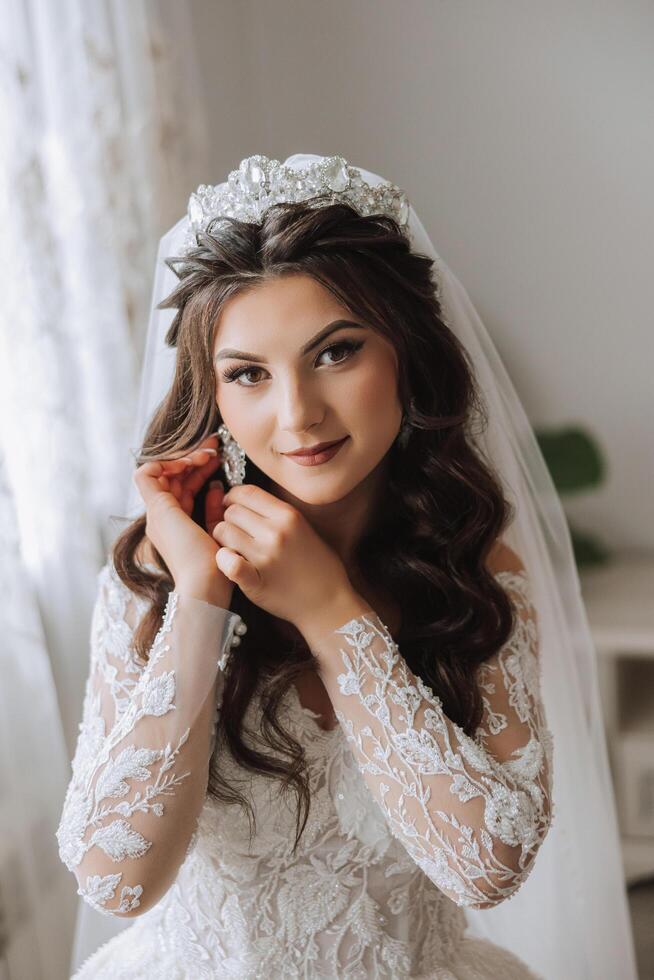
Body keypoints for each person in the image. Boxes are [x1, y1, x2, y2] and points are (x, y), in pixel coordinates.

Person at [56, 154, 637, 979]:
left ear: (405, 353)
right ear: (213, 398)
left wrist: (332, 613)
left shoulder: (476, 569)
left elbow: (488, 865)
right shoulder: (155, 578)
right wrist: (200, 600)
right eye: (249, 374)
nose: (297, 415)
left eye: (335, 353)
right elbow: (116, 879)